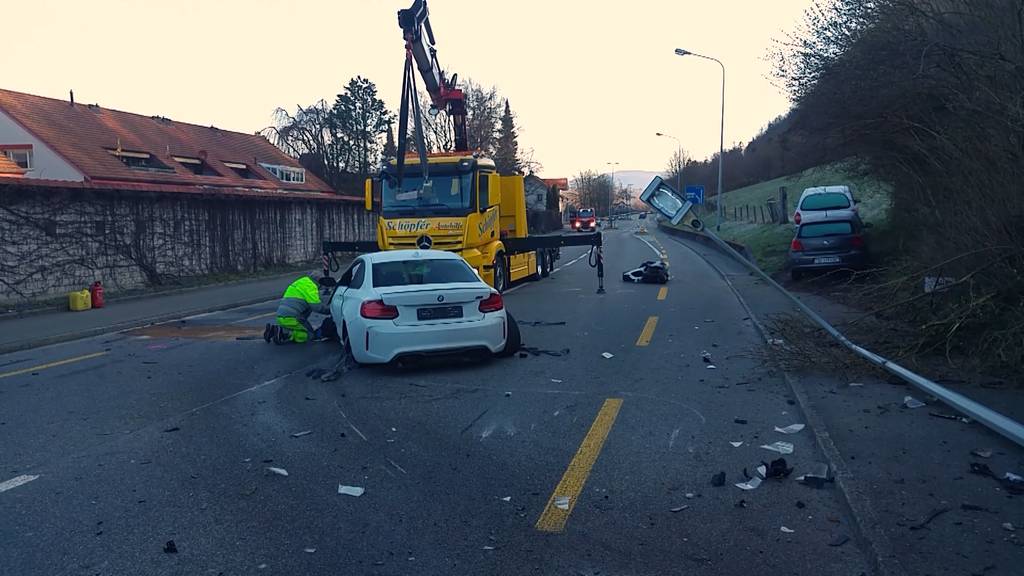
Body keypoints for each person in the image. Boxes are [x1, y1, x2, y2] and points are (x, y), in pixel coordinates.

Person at [264, 275, 331, 344]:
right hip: (292, 318)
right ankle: (284, 333)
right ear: (319, 282)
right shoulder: (310, 287)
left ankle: (274, 331)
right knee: (308, 335)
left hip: (281, 316)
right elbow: (317, 307)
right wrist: (330, 310)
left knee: (297, 328)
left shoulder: (300, 282)